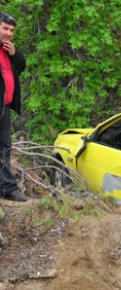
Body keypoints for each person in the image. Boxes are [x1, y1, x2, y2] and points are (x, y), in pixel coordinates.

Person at [0, 13, 27, 202]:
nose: (8, 33)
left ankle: (7, 189)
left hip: (4, 108)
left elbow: (21, 66)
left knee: (4, 147)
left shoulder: (7, 49)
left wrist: (14, 54)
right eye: (5, 28)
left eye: (11, 30)